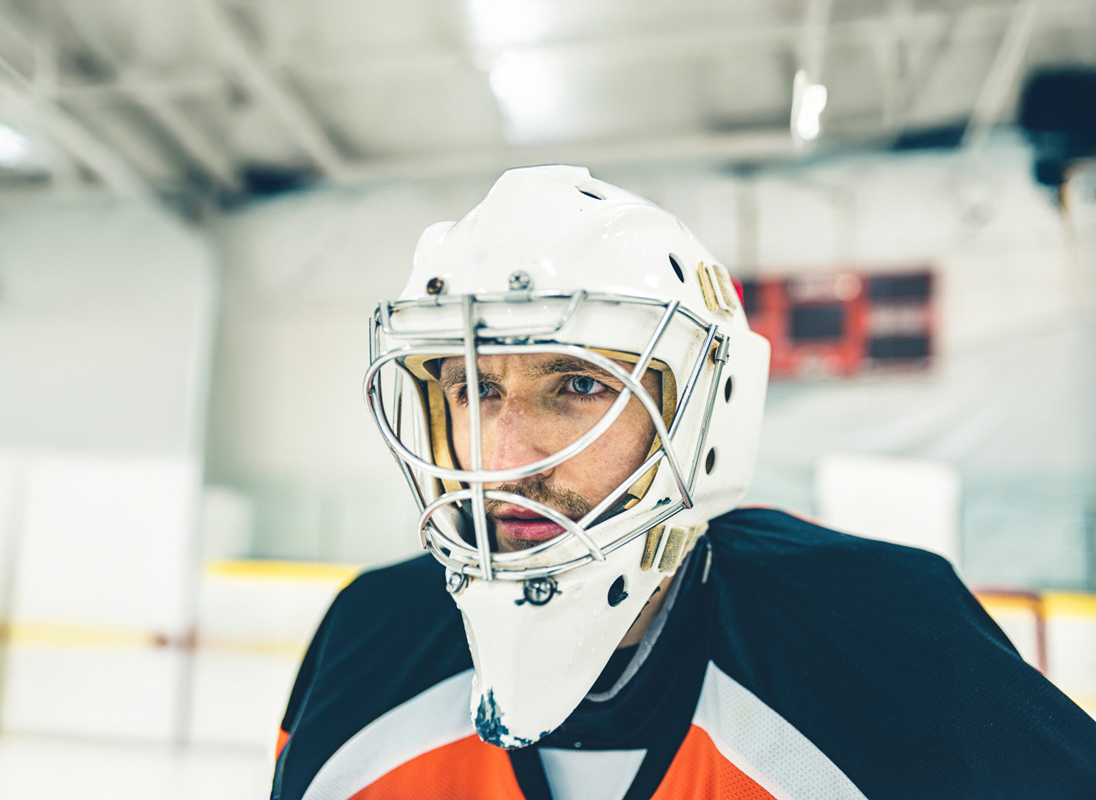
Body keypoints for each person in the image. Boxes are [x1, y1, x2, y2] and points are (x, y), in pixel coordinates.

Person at [272, 165, 1096, 800]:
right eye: (474, 388)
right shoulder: (364, 641)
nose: (502, 457)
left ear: (705, 418)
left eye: (580, 386)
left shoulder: (893, 642)